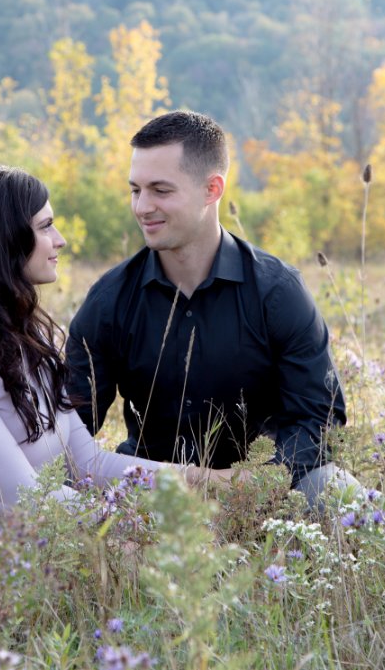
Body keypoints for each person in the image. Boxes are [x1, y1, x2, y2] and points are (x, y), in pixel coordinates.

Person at [0, 164, 220, 561]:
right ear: (2, 239)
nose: (60, 240)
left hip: (33, 551)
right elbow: (23, 496)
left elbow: (88, 463)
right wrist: (129, 538)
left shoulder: (33, 340)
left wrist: (203, 481)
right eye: (45, 226)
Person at [65, 110, 352, 507]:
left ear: (212, 189)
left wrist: (257, 479)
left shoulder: (277, 292)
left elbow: (321, 419)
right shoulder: (109, 300)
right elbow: (71, 427)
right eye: (135, 190)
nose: (142, 207)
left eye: (160, 190)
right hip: (153, 492)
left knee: (336, 491)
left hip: (265, 492)